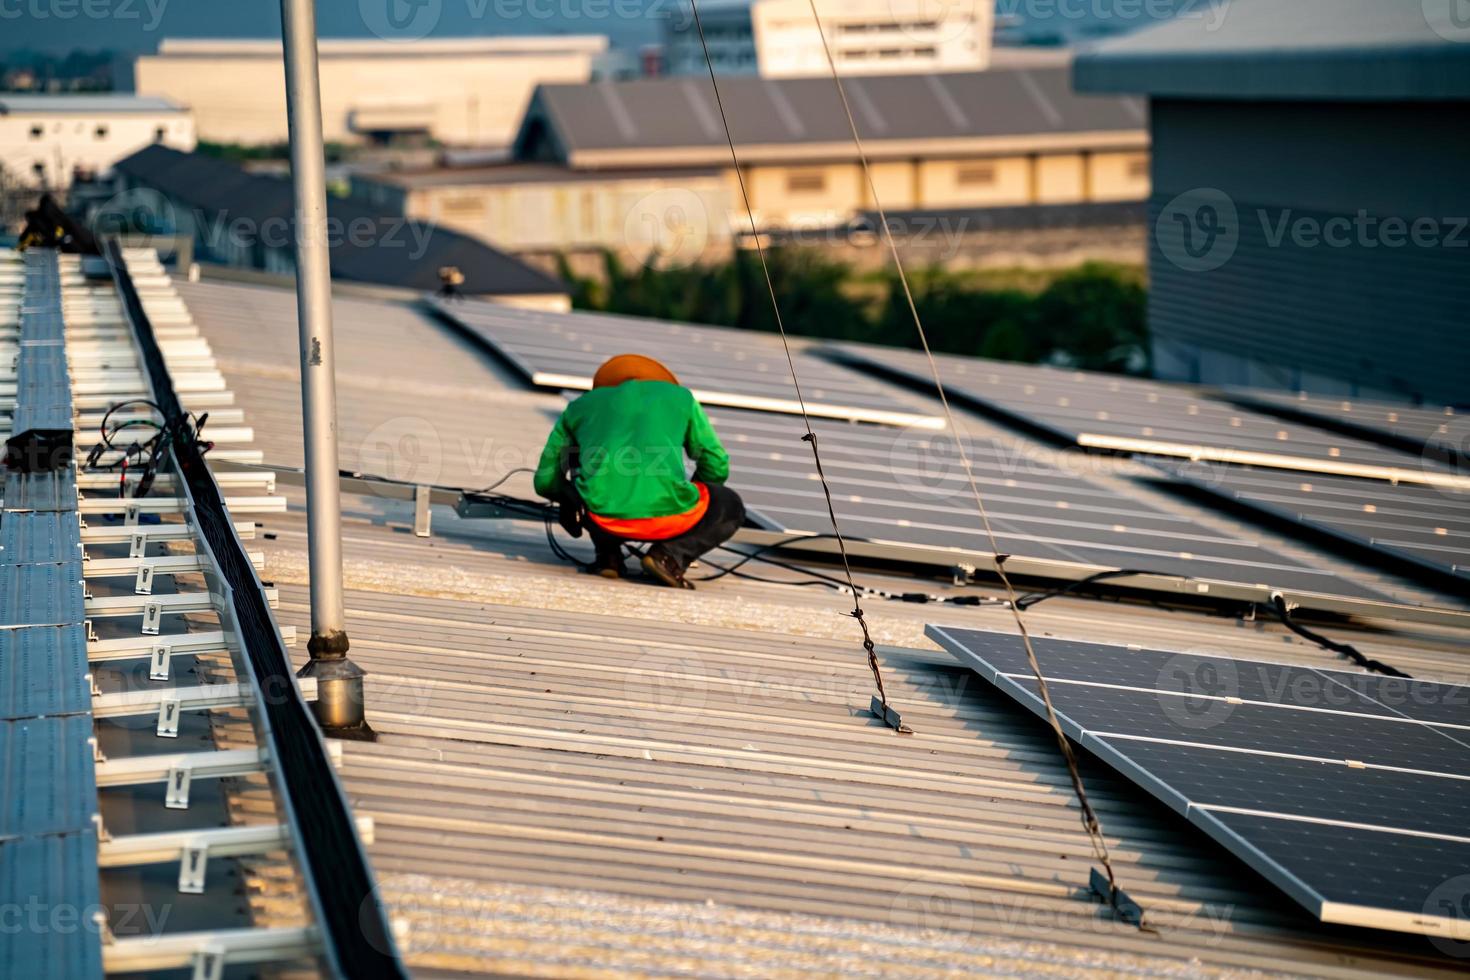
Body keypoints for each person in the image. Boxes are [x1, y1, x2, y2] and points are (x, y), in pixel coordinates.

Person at [534, 354, 745, 589]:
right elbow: (716, 463)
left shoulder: (582, 406)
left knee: (578, 463)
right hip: (673, 518)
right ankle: (668, 556)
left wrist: (570, 500)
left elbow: (545, 481)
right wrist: (693, 493)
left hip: (601, 519)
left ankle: (608, 556)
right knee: (730, 504)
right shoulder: (681, 399)